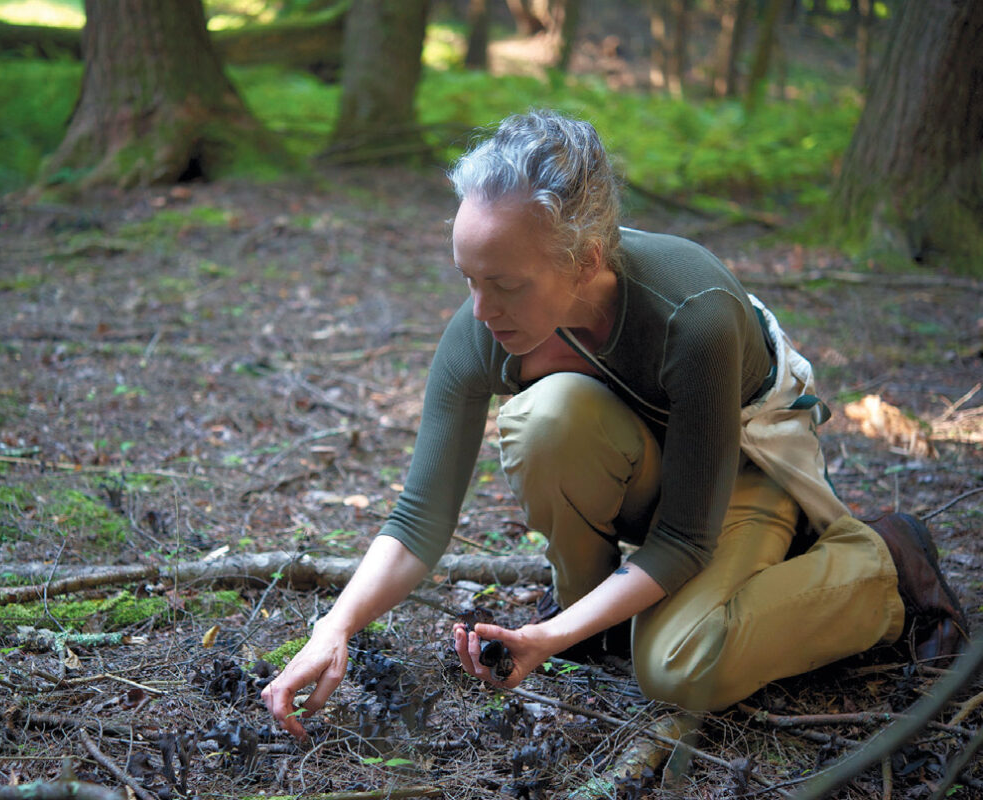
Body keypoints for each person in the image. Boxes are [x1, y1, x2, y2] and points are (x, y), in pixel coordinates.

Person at [260, 110, 968, 739]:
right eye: (468, 279)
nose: (480, 309)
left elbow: (686, 537)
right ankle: (590, 617)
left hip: (741, 473)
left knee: (677, 666)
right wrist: (336, 626)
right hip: (650, 475)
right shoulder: (484, 327)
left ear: (585, 260)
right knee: (548, 418)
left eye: (505, 283)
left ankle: (877, 571)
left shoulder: (692, 313)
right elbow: (420, 518)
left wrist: (547, 637)